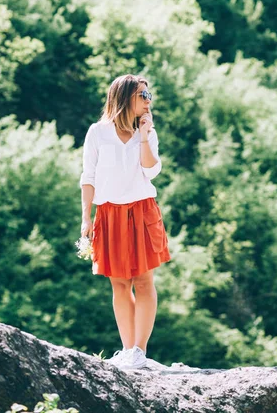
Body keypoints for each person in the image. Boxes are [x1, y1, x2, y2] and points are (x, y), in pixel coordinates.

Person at [80, 73, 171, 370]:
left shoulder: (147, 132)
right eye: (142, 95)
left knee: (144, 281)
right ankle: (127, 348)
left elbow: (151, 170)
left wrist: (144, 135)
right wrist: (86, 219)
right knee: (119, 284)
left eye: (149, 95)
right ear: (124, 97)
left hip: (142, 211)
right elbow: (88, 177)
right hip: (109, 212)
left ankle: (139, 352)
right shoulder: (97, 132)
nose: (148, 101)